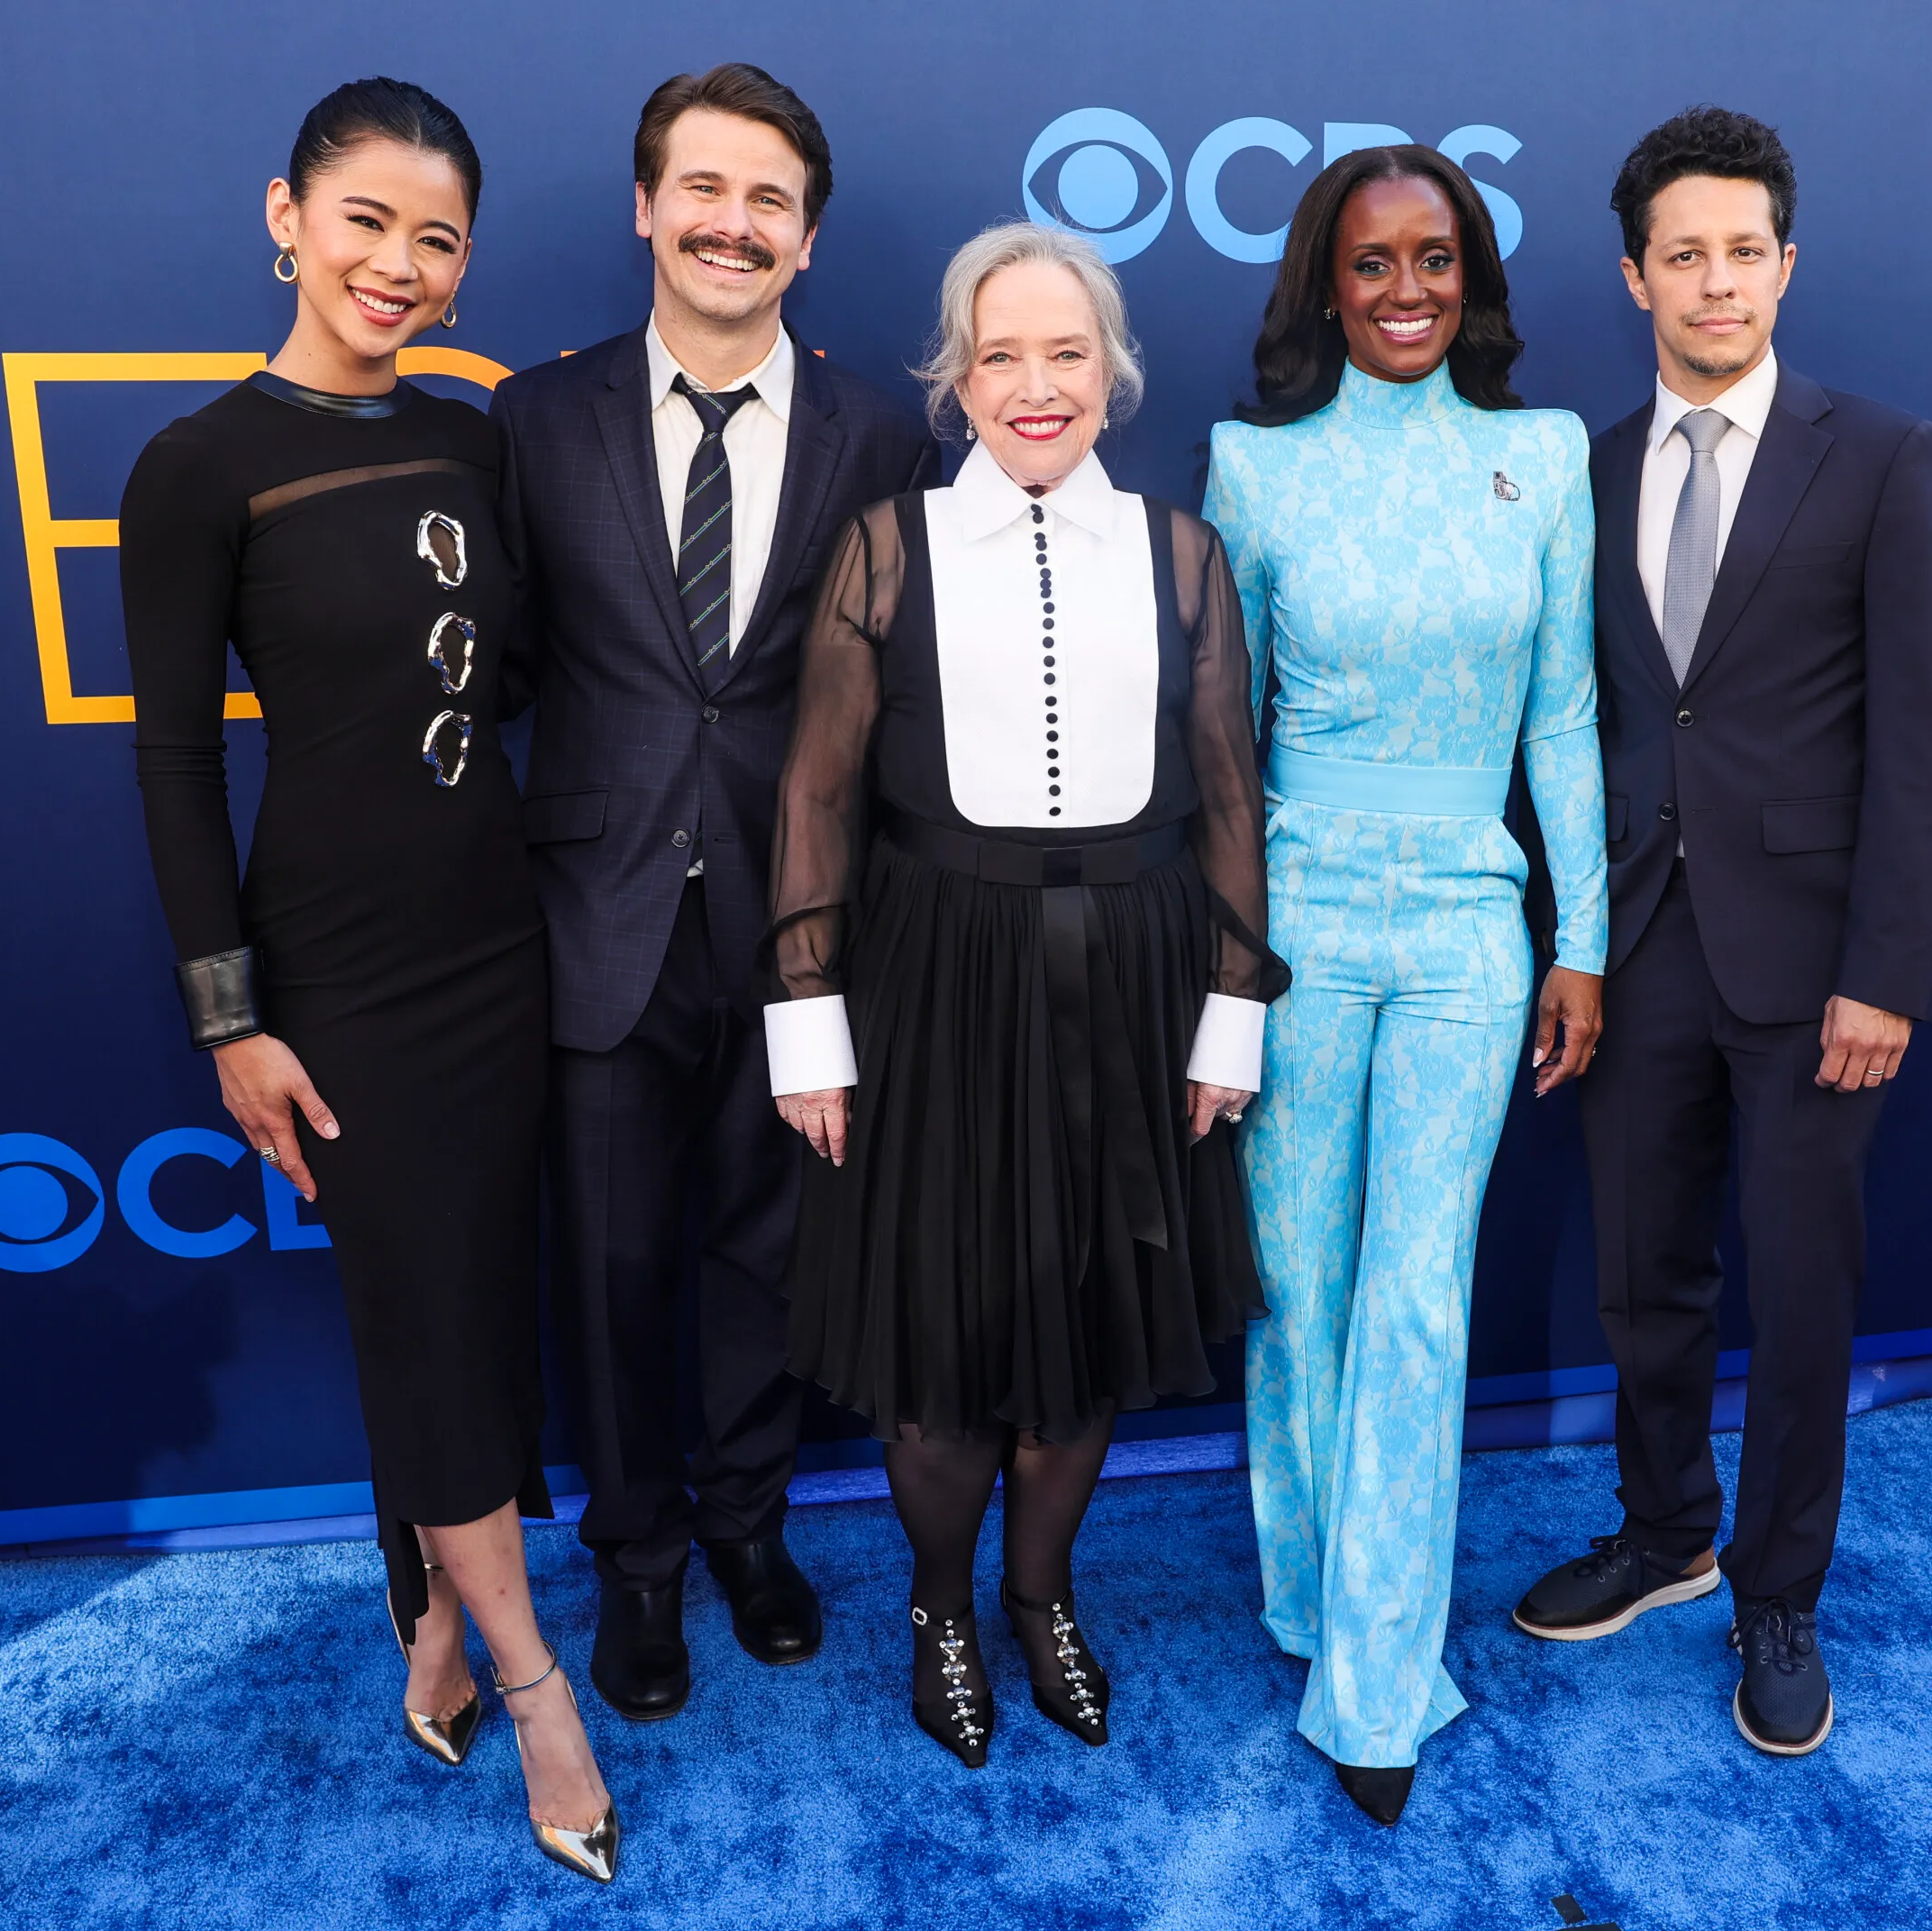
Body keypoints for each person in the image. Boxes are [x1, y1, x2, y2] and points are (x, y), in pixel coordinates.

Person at [120, 79, 615, 1881]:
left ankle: (433, 1615)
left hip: (502, 937)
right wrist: (230, 1014)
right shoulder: (197, 468)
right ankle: (536, 1679)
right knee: (417, 1313)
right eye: (366, 224)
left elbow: (519, 679)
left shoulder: (478, 445)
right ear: (286, 217)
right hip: (335, 971)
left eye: (436, 239)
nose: (399, 266)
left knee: (486, 1303)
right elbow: (175, 762)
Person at [764, 221, 1282, 1767]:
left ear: (1112, 374)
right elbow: (816, 797)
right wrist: (809, 1019)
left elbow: (1231, 796)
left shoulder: (1181, 550)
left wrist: (1231, 1009)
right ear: (959, 376)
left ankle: (1041, 1592)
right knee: (943, 1339)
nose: (1036, 384)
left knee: (1091, 1325)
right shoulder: (887, 544)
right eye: (1002, 354)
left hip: (1129, 976)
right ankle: (939, 1606)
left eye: (1067, 352)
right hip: (934, 978)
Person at [1508, 108, 1932, 1759]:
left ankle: (1780, 1588)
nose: (1717, 280)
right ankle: (1669, 1534)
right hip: (1636, 951)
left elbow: (1928, 744)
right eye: (1683, 253)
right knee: (1645, 1277)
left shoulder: (1885, 456)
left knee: (1799, 1286)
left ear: (1789, 263)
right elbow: (1579, 719)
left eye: (1746, 249)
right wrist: (1573, 936)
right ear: (1636, 274)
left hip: (1812, 972)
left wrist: (1883, 970)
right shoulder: (1589, 466)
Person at [488, 64, 940, 1724]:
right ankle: (639, 1563)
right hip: (596, 915)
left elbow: (894, 698)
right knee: (610, 1268)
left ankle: (751, 1531)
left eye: (768, 201)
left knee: (768, 1253)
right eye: (704, 189)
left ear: (806, 239)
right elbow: (506, 674)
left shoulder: (877, 435)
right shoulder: (537, 419)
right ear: (645, 207)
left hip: (799, 922)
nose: (731, 223)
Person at [1206, 145, 1608, 1826]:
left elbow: (1564, 715)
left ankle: (1379, 1675)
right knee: (1301, 1290)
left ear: (1476, 279)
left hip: (1465, 930)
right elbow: (1219, 748)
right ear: (1322, 283)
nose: (1406, 293)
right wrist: (1223, 971)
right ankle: (1311, 1602)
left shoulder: (1543, 455)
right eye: (1371, 265)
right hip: (1294, 919)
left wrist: (1581, 933)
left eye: (1435, 261)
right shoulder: (1251, 464)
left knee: (1419, 1291)